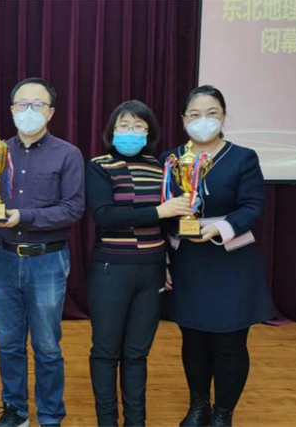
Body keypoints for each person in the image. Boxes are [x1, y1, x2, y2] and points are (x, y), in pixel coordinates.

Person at [161, 85, 272, 427]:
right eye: (195, 114)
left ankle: (223, 413)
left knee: (229, 343)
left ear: (223, 117)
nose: (203, 120)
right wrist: (163, 260)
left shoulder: (243, 157)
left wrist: (221, 228)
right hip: (187, 260)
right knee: (193, 340)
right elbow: (160, 213)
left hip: (231, 261)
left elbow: (253, 205)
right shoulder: (170, 159)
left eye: (212, 113)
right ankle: (199, 406)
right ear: (183, 119)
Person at [0, 77, 85, 427]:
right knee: (8, 343)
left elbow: (72, 209)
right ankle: (16, 411)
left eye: (37, 105)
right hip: (2, 258)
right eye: (22, 104)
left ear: (50, 112)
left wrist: (23, 216)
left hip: (47, 260)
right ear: (11, 110)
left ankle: (51, 415)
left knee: (47, 346)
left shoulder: (67, 154)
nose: (29, 111)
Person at [85, 100, 194, 426]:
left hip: (151, 269)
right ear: (112, 130)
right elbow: (105, 216)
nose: (130, 132)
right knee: (105, 351)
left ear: (149, 133)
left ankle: (136, 421)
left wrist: (168, 261)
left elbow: (169, 224)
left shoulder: (162, 167)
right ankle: (107, 421)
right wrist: (159, 211)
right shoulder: (99, 166)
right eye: (124, 126)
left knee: (136, 353)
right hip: (111, 268)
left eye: (138, 127)